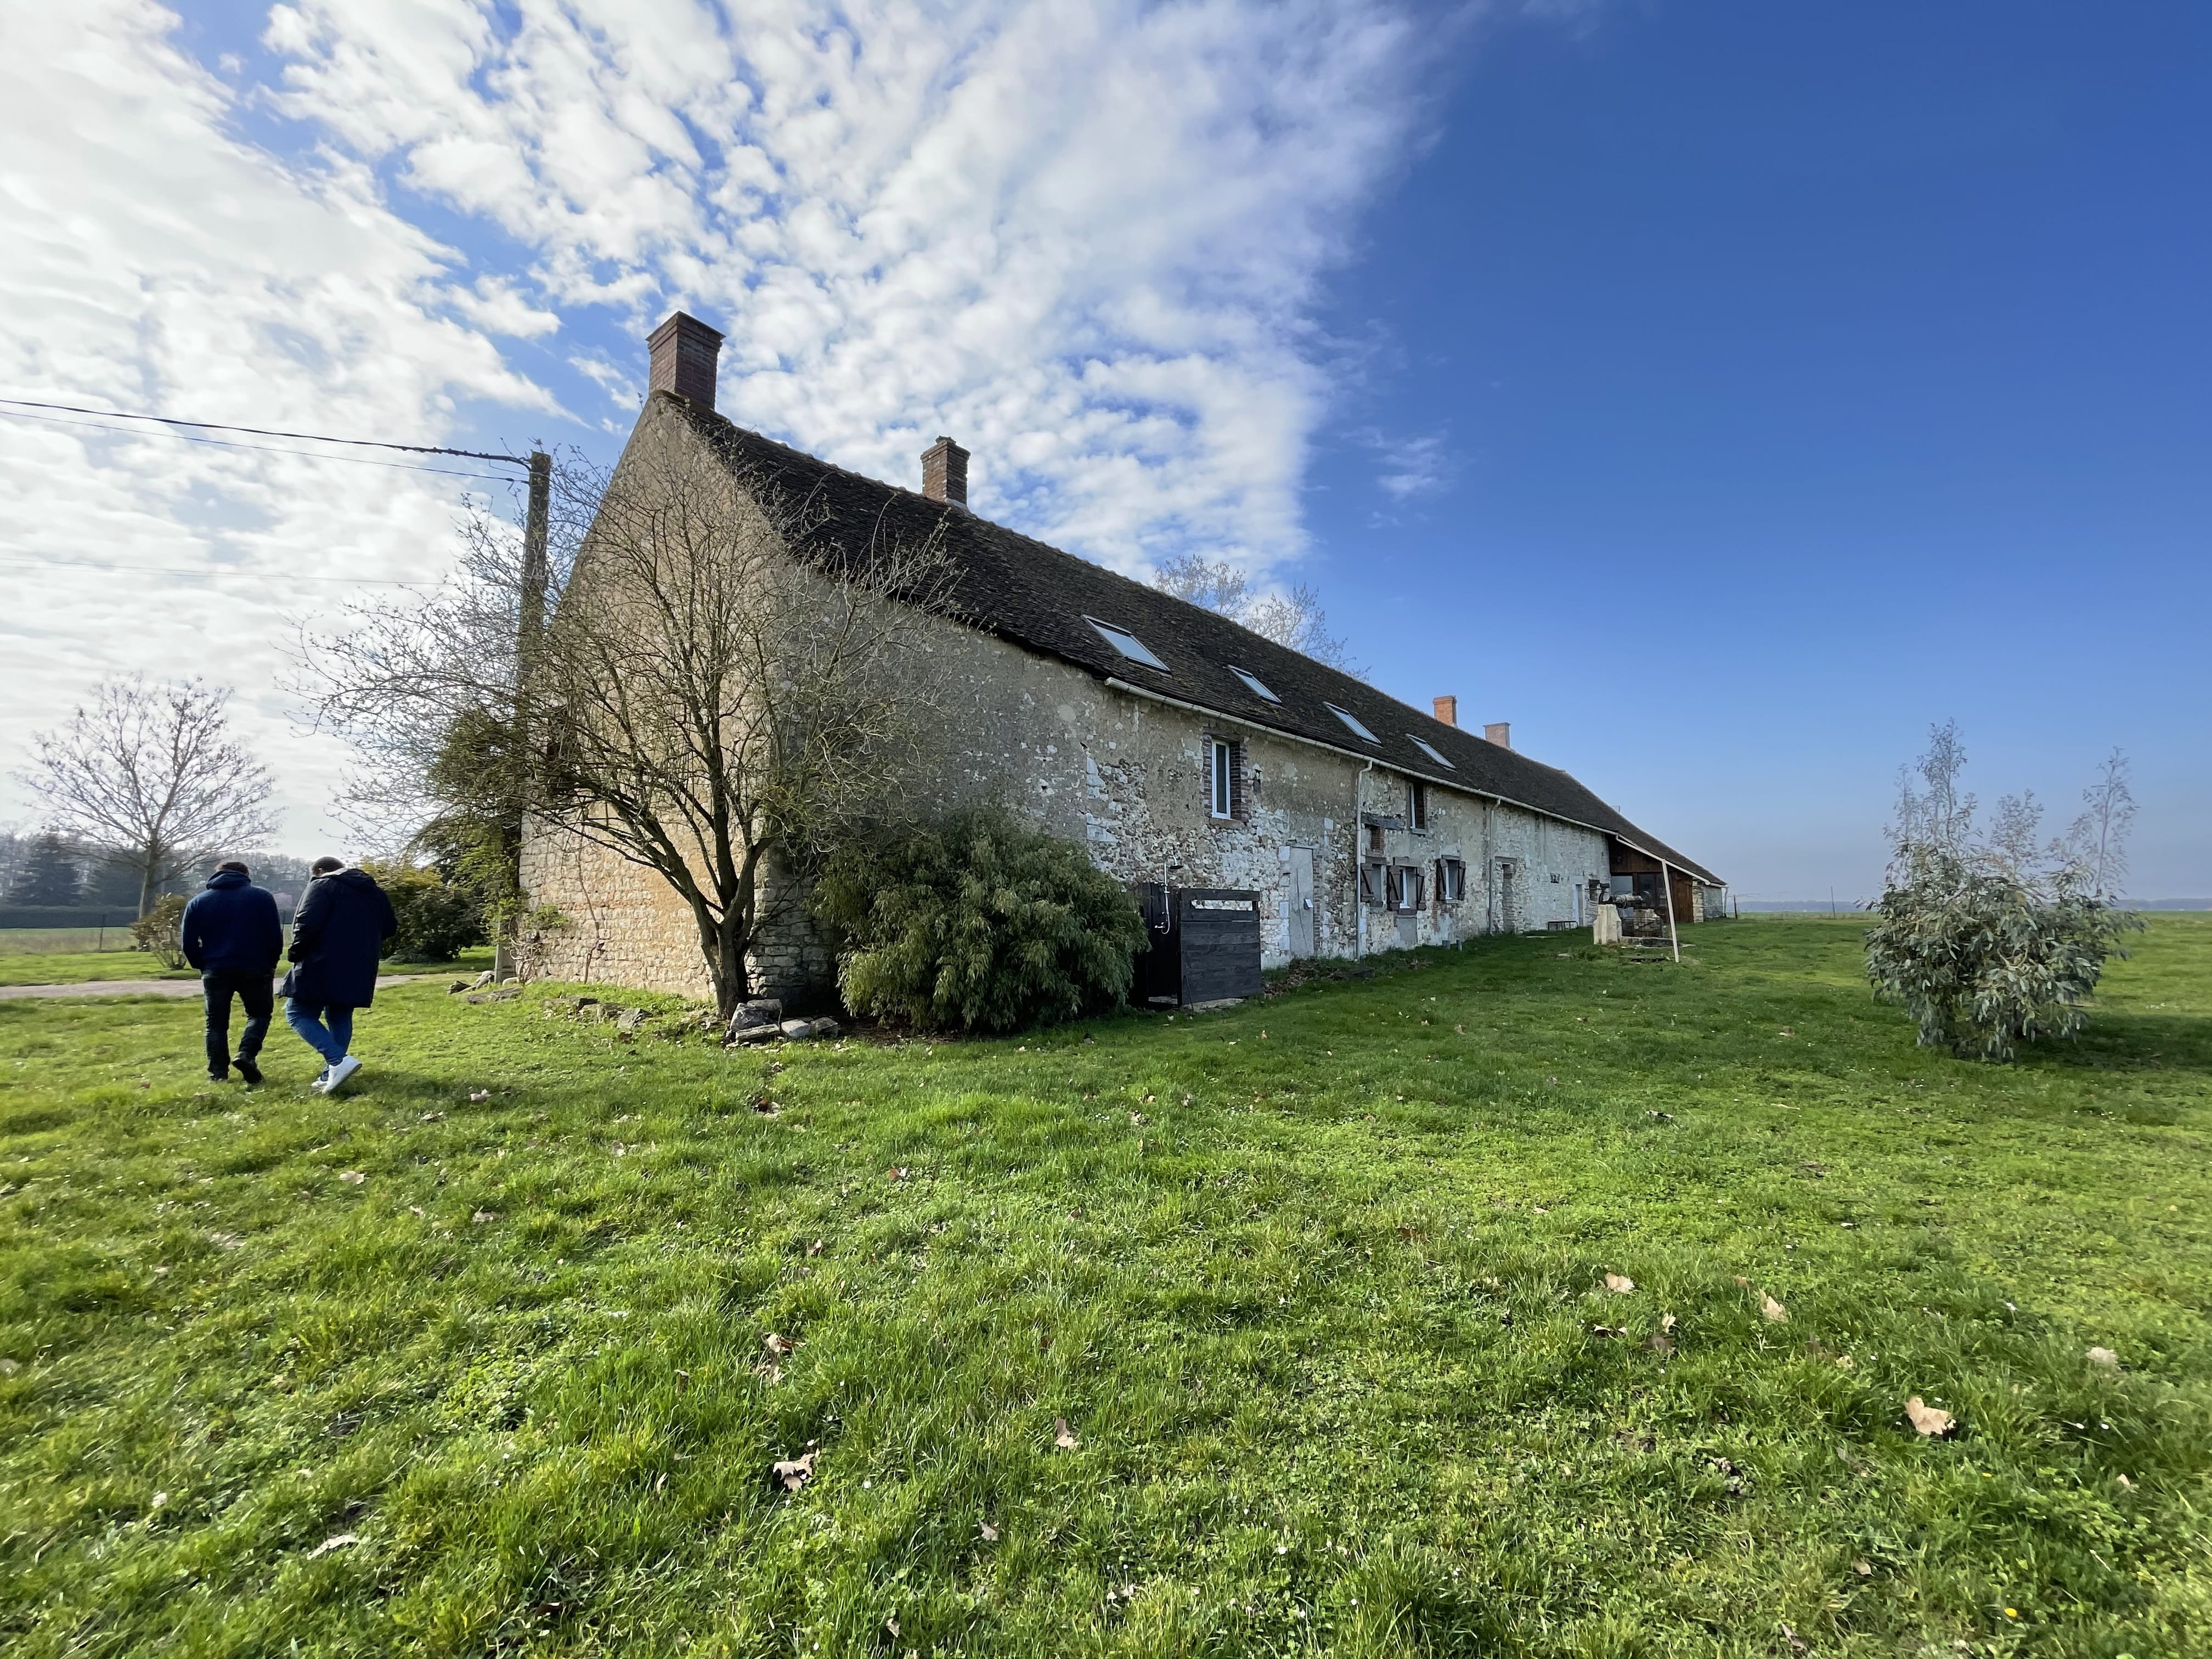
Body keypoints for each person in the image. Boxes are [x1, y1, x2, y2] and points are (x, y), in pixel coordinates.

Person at [283, 856, 397, 1094]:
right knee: (340, 1015)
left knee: (297, 1012)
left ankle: (338, 1061)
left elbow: (306, 923)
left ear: (320, 871)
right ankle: (330, 1074)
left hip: (320, 961)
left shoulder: (322, 885)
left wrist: (295, 952)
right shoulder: (374, 892)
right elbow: (389, 928)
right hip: (359, 964)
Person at [179, 859, 284, 1085]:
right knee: (259, 1015)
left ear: (216, 875)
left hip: (215, 969)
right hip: (256, 967)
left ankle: (218, 1073)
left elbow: (188, 943)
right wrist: (272, 961)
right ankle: (246, 1055)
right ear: (246, 875)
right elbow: (275, 935)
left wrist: (202, 964)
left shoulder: (198, 902)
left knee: (215, 1024)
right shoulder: (262, 897)